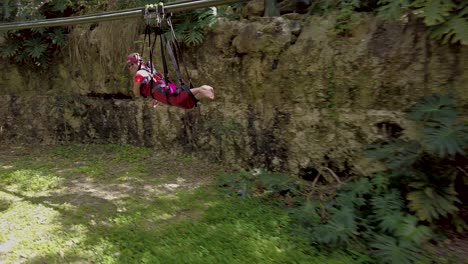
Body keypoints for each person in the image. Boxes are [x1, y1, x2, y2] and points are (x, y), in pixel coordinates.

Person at [126, 53, 214, 109]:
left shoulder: (139, 74)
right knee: (187, 103)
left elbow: (136, 93)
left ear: (138, 62)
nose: (130, 67)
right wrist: (156, 97)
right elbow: (154, 83)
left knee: (178, 99)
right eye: (129, 66)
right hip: (165, 88)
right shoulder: (148, 69)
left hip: (163, 90)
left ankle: (201, 89)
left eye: (132, 64)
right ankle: (202, 93)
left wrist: (137, 84)